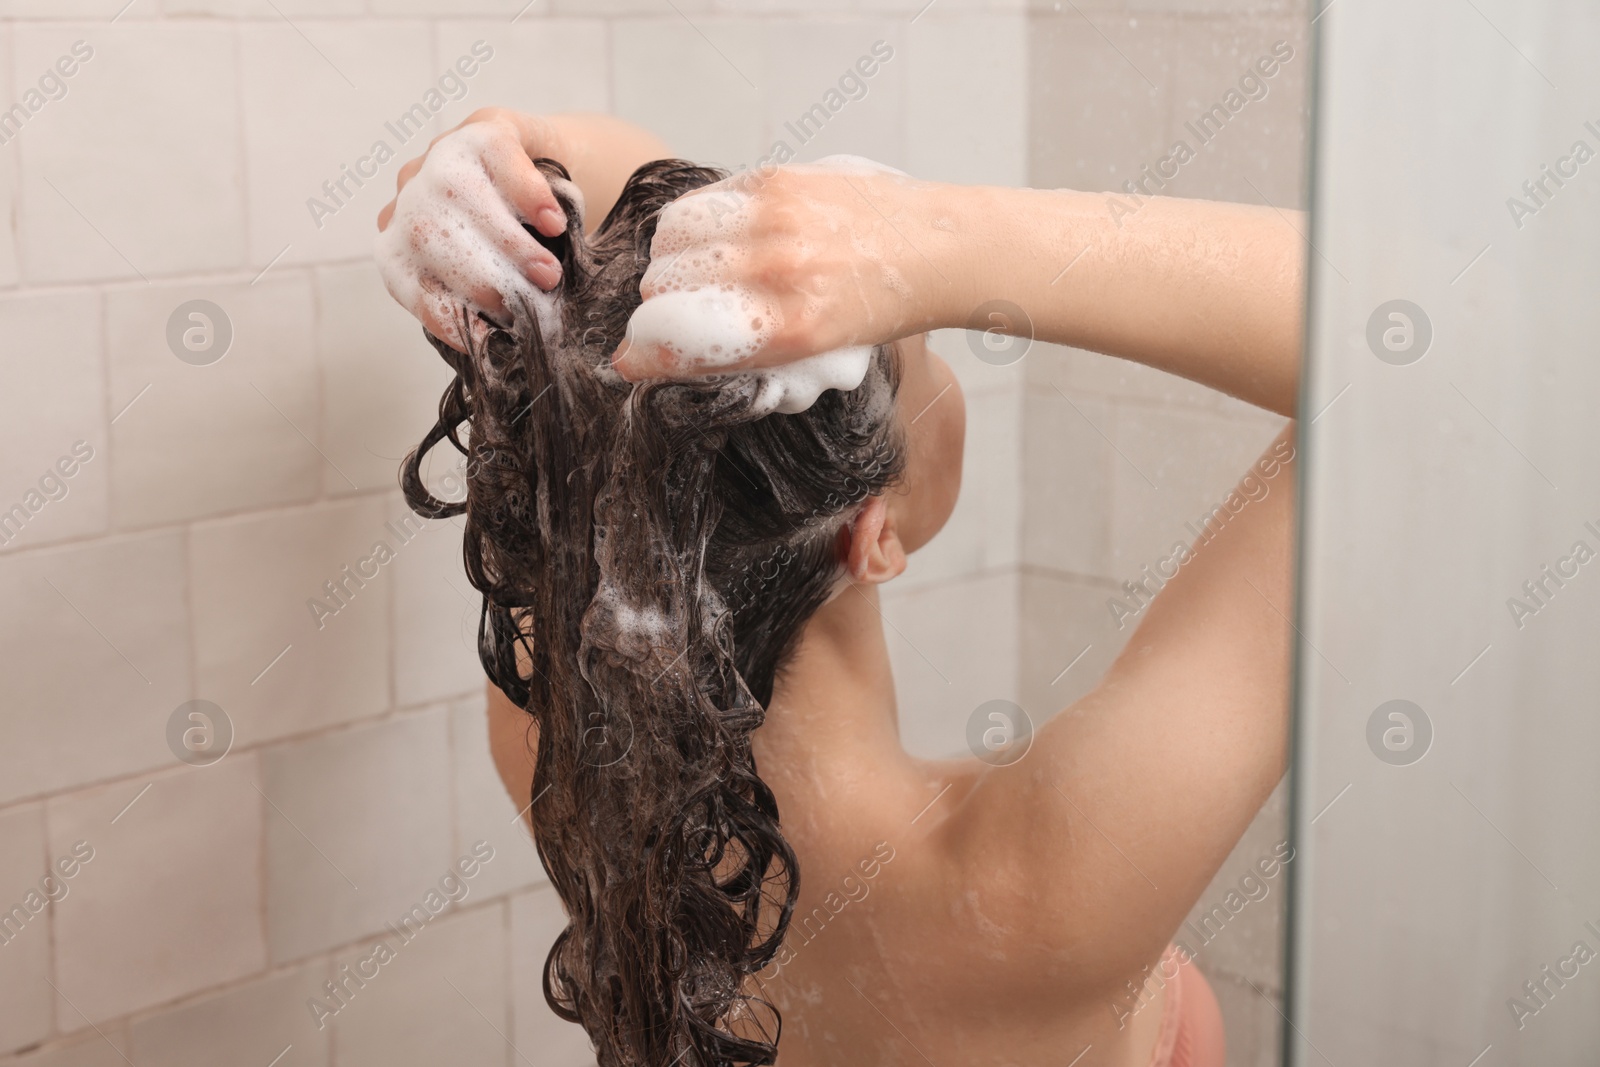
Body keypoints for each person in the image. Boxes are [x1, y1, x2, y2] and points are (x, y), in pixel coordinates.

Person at [378, 108, 1301, 1067]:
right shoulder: (1040, 885)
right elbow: (1423, 334)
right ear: (877, 533)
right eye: (917, 336)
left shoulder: (565, 753)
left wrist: (500, 161)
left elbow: (590, 389)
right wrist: (947, 241)